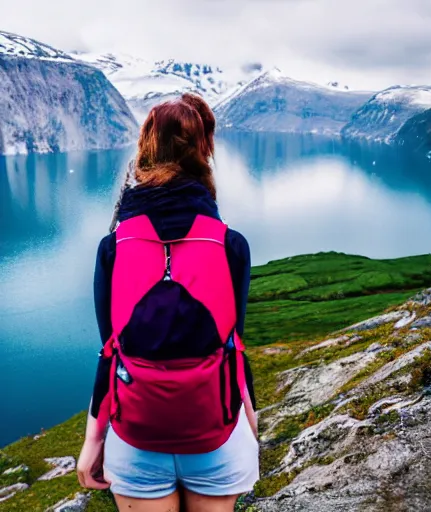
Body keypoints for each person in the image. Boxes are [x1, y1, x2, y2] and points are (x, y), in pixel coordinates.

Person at [77, 94, 259, 512]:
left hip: (136, 438)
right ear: (202, 153)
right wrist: (250, 423)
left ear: (145, 150)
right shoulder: (231, 245)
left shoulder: (113, 247)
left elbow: (111, 349)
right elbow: (235, 340)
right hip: (216, 433)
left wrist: (93, 441)